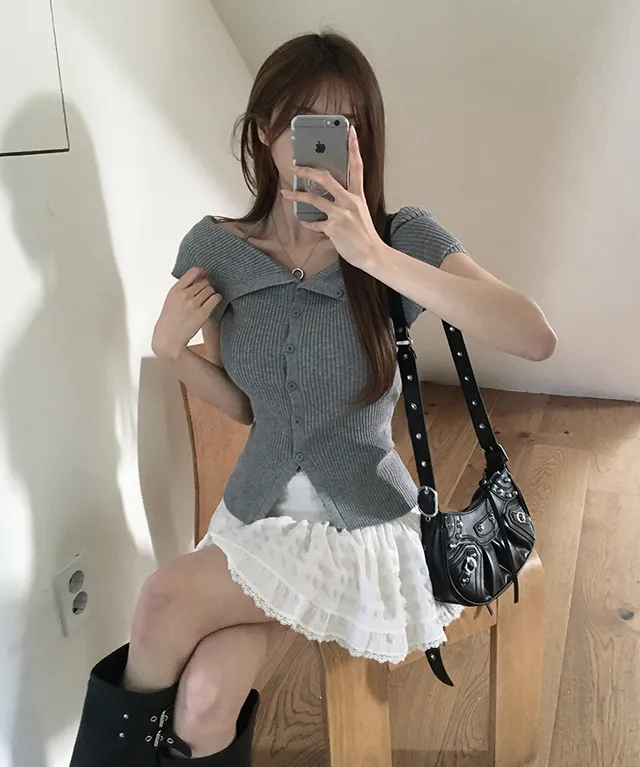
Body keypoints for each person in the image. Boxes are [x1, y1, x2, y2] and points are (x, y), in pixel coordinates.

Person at [69, 30, 557, 767]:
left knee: (163, 598)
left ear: (364, 140)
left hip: (361, 529)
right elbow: (245, 407)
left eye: (342, 124)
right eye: (300, 121)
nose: (316, 143)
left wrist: (374, 256)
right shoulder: (217, 250)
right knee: (205, 695)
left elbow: (534, 337)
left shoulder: (401, 238)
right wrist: (174, 354)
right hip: (255, 521)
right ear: (265, 129)